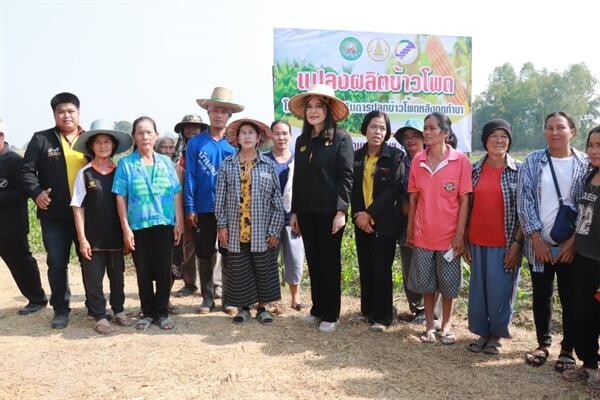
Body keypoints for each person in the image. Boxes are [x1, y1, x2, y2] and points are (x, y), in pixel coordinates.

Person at [519, 111, 587, 371]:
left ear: (572, 131)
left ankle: (567, 349)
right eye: (549, 127)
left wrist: (573, 242)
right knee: (542, 294)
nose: (555, 132)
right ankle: (543, 344)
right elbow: (524, 200)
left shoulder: (583, 163)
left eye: (561, 127)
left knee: (570, 296)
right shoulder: (534, 160)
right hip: (539, 245)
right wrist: (535, 237)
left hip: (572, 245)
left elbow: (588, 206)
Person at [288, 83, 353, 333]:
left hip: (329, 212)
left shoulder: (341, 138)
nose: (313, 111)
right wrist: (294, 211)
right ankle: (317, 308)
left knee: (329, 262)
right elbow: (299, 179)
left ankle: (331, 313)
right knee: (314, 261)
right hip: (306, 211)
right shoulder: (302, 141)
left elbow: (346, 177)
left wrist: (341, 212)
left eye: (319, 106)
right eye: (310, 107)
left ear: (328, 110)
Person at [22, 92, 87, 329]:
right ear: (54, 115)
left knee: (89, 260)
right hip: (54, 215)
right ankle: (61, 308)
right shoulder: (41, 139)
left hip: (87, 214)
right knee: (57, 262)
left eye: (70, 111)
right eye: (61, 112)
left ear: (78, 113)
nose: (66, 115)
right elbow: (26, 171)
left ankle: (94, 304)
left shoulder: (89, 139)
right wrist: (37, 192)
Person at [406, 112, 472, 344]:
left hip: (449, 237)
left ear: (445, 133)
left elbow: (464, 200)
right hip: (423, 234)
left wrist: (460, 235)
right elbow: (414, 199)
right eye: (425, 128)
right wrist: (411, 229)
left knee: (449, 284)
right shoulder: (418, 161)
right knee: (426, 283)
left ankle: (446, 325)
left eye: (433, 128)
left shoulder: (460, 160)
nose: (427, 132)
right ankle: (429, 325)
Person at [112, 116, 184, 330]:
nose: (145, 136)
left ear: (156, 135)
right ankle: (147, 312)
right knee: (143, 270)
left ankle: (161, 312)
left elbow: (176, 193)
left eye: (149, 132)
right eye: (140, 132)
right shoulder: (126, 164)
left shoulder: (165, 162)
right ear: (134, 136)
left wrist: (178, 221)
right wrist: (125, 228)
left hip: (164, 223)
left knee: (164, 269)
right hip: (138, 225)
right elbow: (120, 197)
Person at [215, 118, 284, 324]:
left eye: (251, 133)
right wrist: (222, 225)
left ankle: (262, 308)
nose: (246, 136)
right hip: (236, 229)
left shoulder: (268, 165)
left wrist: (274, 230)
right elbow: (219, 198)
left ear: (258, 138)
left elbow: (277, 201)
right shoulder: (227, 165)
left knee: (263, 267)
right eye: (243, 133)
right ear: (237, 138)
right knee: (239, 268)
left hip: (262, 228)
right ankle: (243, 308)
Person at [464, 118, 523, 354]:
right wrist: (466, 239)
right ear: (485, 141)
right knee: (479, 292)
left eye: (504, 136)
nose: (499, 140)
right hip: (477, 240)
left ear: (509, 142)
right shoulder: (474, 169)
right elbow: (467, 208)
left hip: (505, 242)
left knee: (501, 291)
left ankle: (496, 335)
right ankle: (482, 333)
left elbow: (524, 212)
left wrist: (517, 245)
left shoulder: (519, 170)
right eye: (493, 136)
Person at [71, 119, 134, 334]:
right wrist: (82, 239)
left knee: (117, 276)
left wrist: (127, 233)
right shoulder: (85, 174)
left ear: (114, 145)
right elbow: (78, 207)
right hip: (93, 237)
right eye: (98, 142)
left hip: (117, 235)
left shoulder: (121, 171)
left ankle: (119, 310)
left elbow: (127, 203)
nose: (103, 146)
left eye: (107, 141)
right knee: (94, 279)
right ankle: (99, 314)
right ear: (91, 146)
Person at [184, 87, 243, 315]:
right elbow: (190, 176)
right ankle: (207, 298)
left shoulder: (234, 145)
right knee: (204, 252)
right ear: (208, 112)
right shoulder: (196, 144)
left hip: (230, 209)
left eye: (223, 111)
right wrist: (190, 207)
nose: (218, 115)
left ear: (230, 116)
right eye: (214, 110)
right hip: (203, 207)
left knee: (229, 252)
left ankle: (229, 298)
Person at [352, 111, 405, 332]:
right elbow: (350, 188)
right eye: (374, 127)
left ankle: (382, 317)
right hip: (361, 220)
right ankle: (368, 310)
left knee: (381, 267)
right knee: (365, 265)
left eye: (382, 128)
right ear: (365, 129)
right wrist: (358, 215)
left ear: (387, 132)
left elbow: (393, 189)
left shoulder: (395, 156)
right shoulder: (355, 156)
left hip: (385, 222)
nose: (378, 132)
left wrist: (370, 214)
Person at [561, 126, 600, 396]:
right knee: (582, 314)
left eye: (599, 145)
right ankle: (590, 365)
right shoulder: (588, 178)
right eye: (591, 145)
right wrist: (572, 243)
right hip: (583, 259)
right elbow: (582, 220)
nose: (594, 151)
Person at [0, 118, 48, 315]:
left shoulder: (13, 161)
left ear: (1, 136)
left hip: (10, 225)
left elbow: (24, 191)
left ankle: (37, 298)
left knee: (20, 262)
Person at [265, 120, 305, 311]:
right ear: (271, 136)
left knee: (294, 259)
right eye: (277, 133)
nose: (281, 137)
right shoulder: (263, 160)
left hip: (293, 219)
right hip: (268, 220)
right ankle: (272, 299)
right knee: (269, 259)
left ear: (290, 136)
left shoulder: (299, 161)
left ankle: (295, 298)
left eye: (284, 133)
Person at [172, 114, 208, 298]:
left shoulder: (208, 149)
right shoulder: (177, 155)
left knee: (213, 246)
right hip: (185, 205)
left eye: (196, 127)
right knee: (188, 245)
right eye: (188, 127)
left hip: (207, 204)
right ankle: (190, 283)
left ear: (202, 129)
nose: (192, 130)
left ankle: (214, 285)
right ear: (183, 131)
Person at [394, 119, 426, 323]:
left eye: (414, 135)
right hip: (406, 223)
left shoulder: (431, 160)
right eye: (406, 137)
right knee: (409, 267)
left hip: (431, 223)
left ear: (424, 138)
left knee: (430, 266)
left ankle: (431, 312)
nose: (410, 140)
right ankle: (416, 308)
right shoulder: (400, 162)